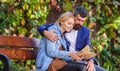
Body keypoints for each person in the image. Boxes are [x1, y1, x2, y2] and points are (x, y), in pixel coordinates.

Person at [37, 6, 107, 71]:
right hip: (63, 60)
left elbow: (88, 48)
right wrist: (45, 33)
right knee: (83, 68)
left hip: (76, 59)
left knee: (97, 68)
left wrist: (90, 61)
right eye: (78, 20)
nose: (80, 23)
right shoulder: (60, 28)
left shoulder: (85, 31)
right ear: (73, 16)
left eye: (83, 21)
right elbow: (41, 27)